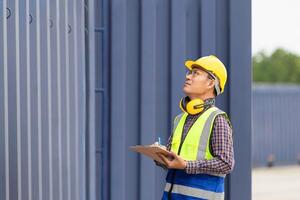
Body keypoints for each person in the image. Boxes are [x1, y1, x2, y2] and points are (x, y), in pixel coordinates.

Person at [157, 55, 234, 200]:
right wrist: (160, 155)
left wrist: (186, 165)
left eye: (195, 73)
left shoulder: (217, 119)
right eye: (189, 72)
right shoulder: (180, 119)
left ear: (211, 83)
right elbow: (174, 160)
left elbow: (226, 163)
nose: (188, 77)